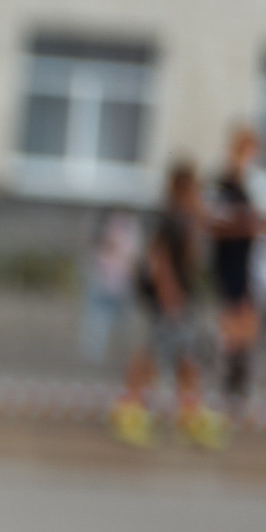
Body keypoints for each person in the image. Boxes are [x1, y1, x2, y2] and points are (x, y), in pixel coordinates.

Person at [111, 159, 219, 449]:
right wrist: (170, 298)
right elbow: (160, 261)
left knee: (185, 356)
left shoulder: (185, 219)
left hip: (180, 299)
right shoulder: (171, 220)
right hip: (170, 302)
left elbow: (193, 256)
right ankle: (129, 407)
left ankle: (189, 410)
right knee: (153, 354)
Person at [205, 125, 266, 419]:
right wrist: (250, 226)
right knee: (235, 325)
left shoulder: (241, 183)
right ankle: (229, 386)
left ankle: (236, 385)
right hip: (229, 263)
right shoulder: (226, 183)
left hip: (244, 263)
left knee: (246, 325)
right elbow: (215, 223)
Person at [80, 210, 140, 366]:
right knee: (99, 323)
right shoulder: (127, 229)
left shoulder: (127, 229)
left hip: (116, 283)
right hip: (108, 282)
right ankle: (96, 358)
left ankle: (112, 357)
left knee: (110, 323)